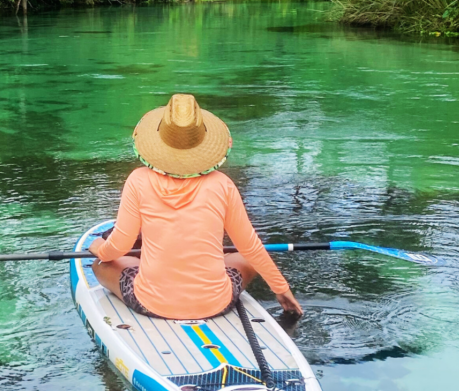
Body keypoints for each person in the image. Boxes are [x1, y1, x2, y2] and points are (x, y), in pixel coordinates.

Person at [88, 94, 302, 320]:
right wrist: (281, 289)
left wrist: (100, 249)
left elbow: (119, 246)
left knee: (102, 266)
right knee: (245, 257)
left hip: (150, 303)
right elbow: (251, 246)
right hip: (217, 303)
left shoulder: (138, 180)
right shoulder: (222, 184)